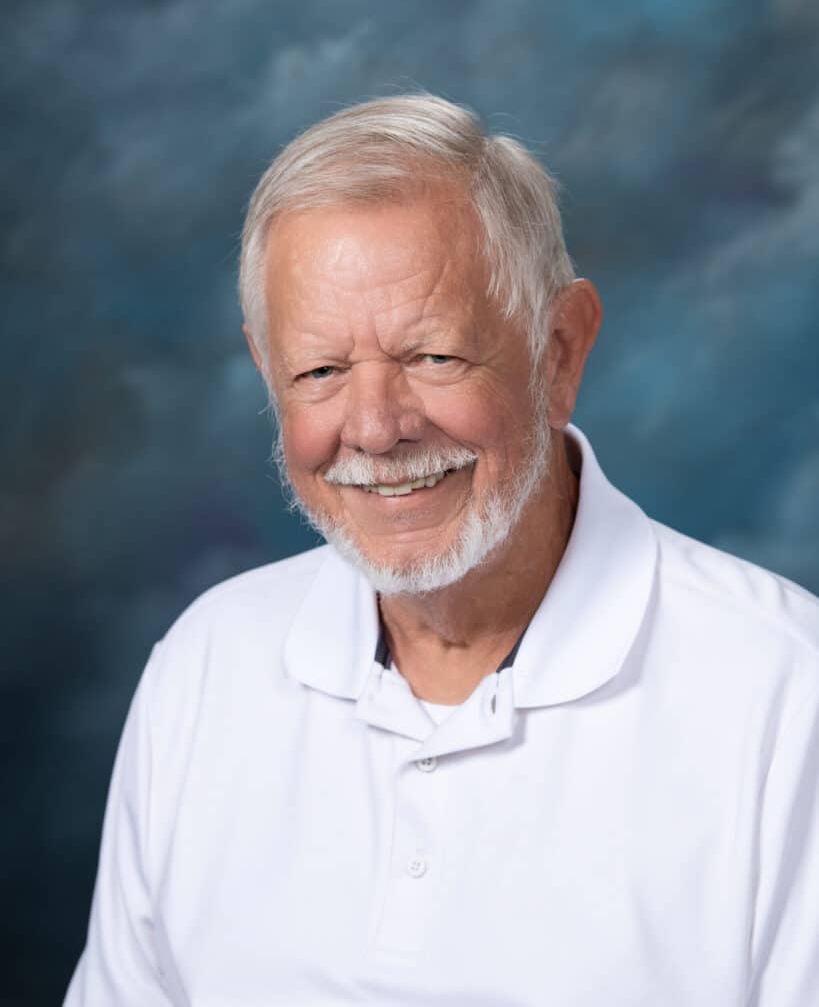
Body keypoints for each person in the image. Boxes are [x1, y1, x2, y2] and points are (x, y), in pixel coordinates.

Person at [65, 94, 819, 1006]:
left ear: (558, 352)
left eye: (433, 357)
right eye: (320, 372)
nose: (376, 429)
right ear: (268, 375)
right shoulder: (206, 665)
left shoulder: (785, 696)